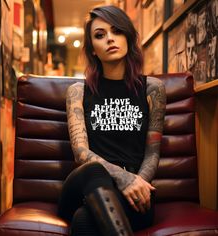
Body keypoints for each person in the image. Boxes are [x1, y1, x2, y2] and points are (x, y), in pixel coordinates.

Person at [58, 5, 166, 236]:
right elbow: (80, 153)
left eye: (117, 31)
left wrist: (137, 184)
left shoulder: (152, 89)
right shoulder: (78, 91)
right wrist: (123, 178)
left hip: (136, 194)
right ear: (93, 50)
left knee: (84, 221)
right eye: (100, 35)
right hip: (82, 187)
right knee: (93, 169)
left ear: (128, 37)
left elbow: (153, 153)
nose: (110, 39)